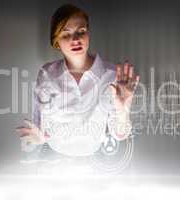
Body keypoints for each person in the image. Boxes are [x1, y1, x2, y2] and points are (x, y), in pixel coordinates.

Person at [15, 4, 139, 158]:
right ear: (56, 42)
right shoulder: (47, 74)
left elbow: (119, 134)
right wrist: (40, 137)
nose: (75, 39)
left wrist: (123, 110)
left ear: (88, 34)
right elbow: (40, 122)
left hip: (94, 156)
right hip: (54, 156)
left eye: (81, 31)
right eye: (66, 34)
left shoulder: (112, 75)